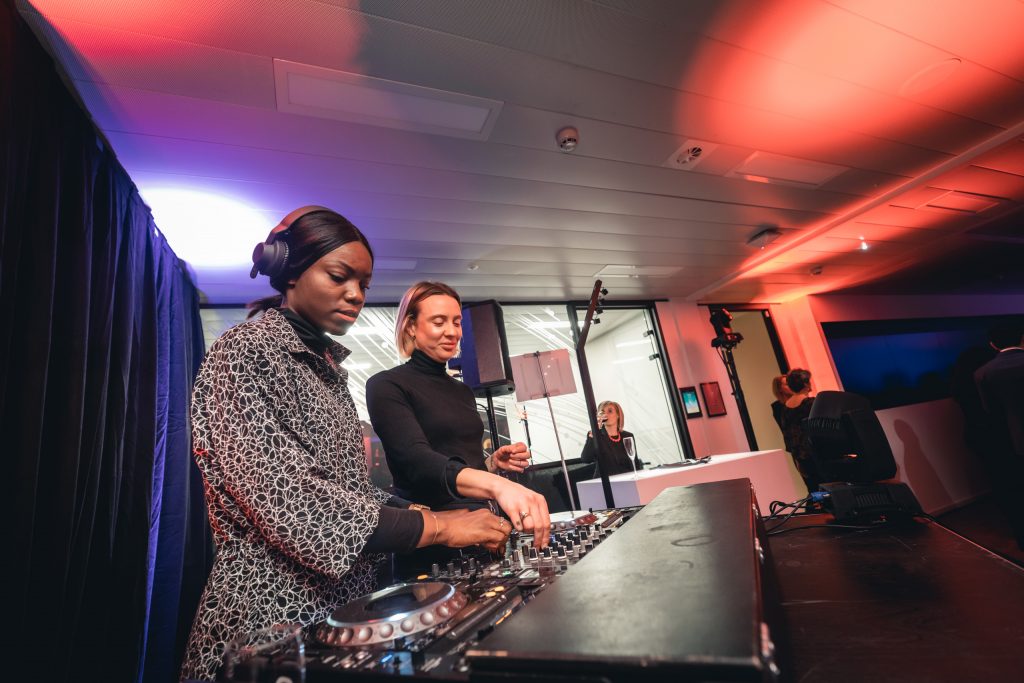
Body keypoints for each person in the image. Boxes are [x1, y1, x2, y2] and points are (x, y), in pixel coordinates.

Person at [180, 209, 511, 681]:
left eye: (364, 284)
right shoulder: (244, 351)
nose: (355, 294)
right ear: (289, 270)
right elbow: (293, 501)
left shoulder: (326, 368)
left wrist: (418, 509)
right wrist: (436, 527)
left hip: (337, 611)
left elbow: (348, 488)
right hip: (269, 620)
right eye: (339, 276)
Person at [365, 281, 551, 542]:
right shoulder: (385, 385)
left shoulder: (462, 390)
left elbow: (461, 463)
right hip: (433, 540)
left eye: (456, 321)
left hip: (486, 531)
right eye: (439, 322)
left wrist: (491, 465)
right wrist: (498, 486)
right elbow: (417, 461)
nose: (452, 331)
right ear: (411, 327)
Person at [973, 320, 1024, 549]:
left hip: (1016, 437)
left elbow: (989, 411)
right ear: (1021, 338)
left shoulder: (983, 373)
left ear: (992, 344)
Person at [778, 368, 820, 493]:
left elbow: (788, 437)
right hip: (816, 453)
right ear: (806, 384)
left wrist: (797, 460)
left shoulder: (784, 409)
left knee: (814, 490)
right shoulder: (812, 404)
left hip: (800, 457)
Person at [580, 400, 643, 477]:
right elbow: (586, 459)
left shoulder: (628, 436)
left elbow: (635, 463)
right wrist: (595, 430)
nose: (605, 414)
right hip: (606, 482)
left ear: (618, 415)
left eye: (610, 411)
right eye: (602, 412)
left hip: (627, 480)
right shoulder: (596, 435)